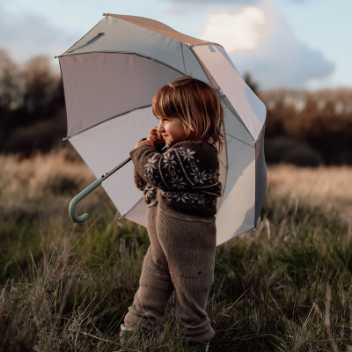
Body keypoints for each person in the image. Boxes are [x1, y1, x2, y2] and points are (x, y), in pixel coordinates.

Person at [119, 76, 224, 352]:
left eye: (167, 119)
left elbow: (156, 171)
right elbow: (145, 181)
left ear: (192, 120)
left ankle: (196, 341)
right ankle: (134, 334)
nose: (160, 126)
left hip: (189, 238)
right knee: (150, 285)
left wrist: (142, 151)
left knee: (190, 291)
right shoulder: (174, 150)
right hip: (162, 239)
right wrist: (151, 150)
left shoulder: (200, 152)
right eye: (159, 118)